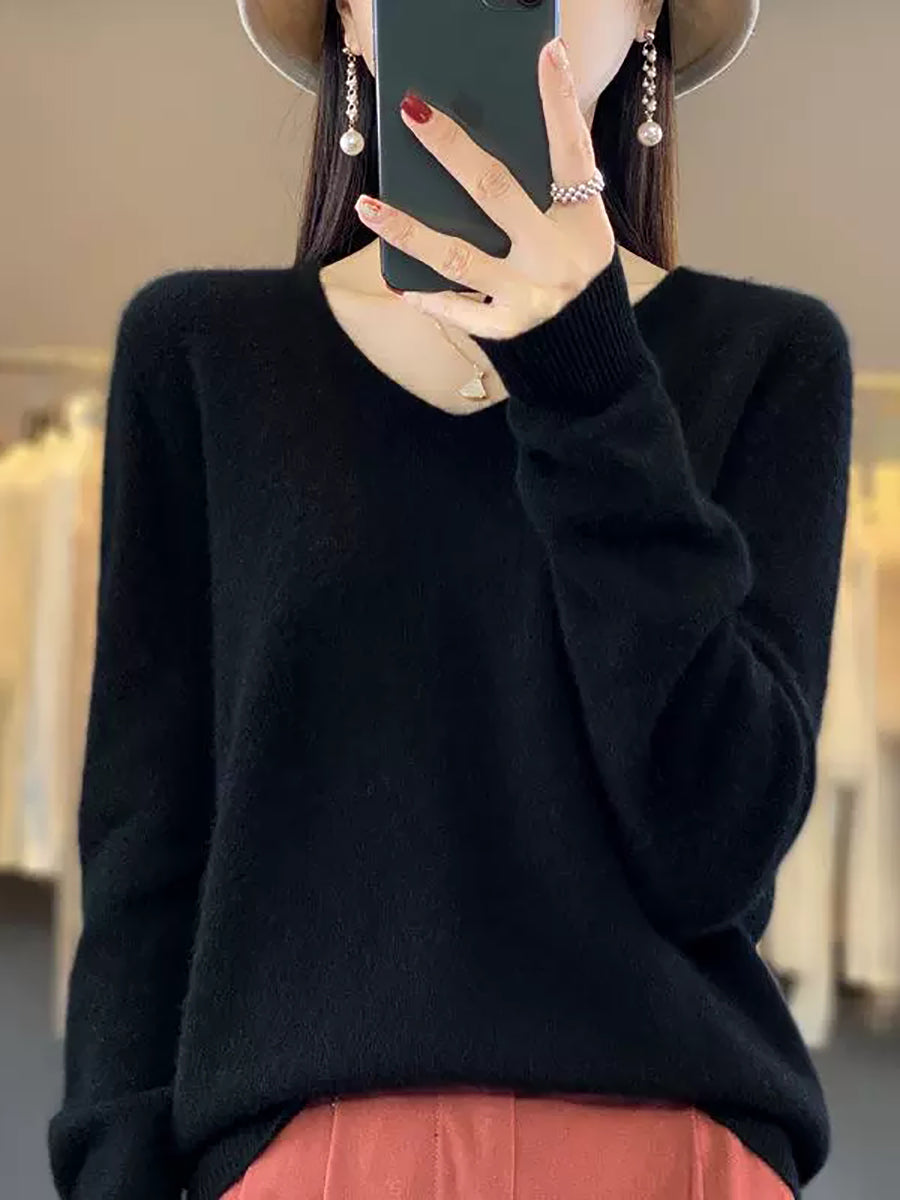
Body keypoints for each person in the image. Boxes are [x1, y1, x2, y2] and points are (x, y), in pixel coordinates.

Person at [48, 1, 854, 1198]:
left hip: (669, 1151)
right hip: (307, 1158)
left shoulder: (772, 358)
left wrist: (588, 380)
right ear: (349, 21)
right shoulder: (202, 354)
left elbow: (715, 851)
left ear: (649, 18)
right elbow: (144, 855)